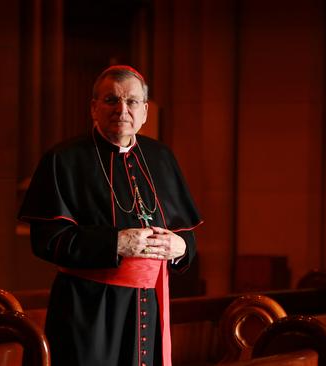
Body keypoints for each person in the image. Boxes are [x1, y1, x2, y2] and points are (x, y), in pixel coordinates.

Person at [18, 65, 202, 366]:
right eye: (111, 100)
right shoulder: (63, 159)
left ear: (144, 111)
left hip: (148, 305)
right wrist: (114, 243)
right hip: (90, 308)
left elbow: (187, 233)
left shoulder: (161, 158)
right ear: (94, 108)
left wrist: (181, 249)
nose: (122, 109)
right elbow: (47, 241)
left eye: (131, 101)